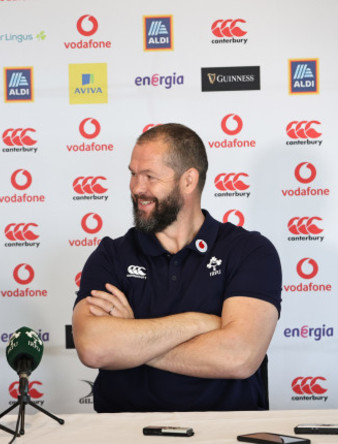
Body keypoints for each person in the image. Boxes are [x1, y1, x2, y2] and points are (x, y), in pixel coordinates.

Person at [72, 123, 281, 412]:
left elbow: (239, 356)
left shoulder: (249, 252)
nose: (137, 188)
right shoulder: (111, 255)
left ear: (188, 181)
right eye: (133, 174)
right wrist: (199, 322)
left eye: (150, 176)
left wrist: (131, 339)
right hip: (123, 433)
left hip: (227, 432)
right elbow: (93, 347)